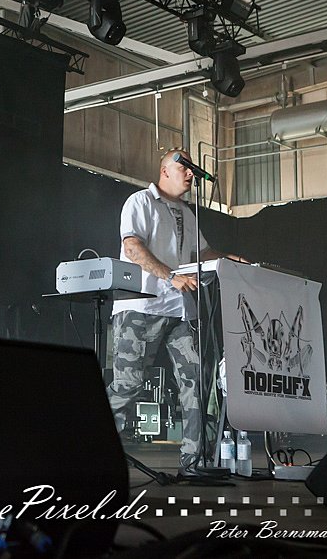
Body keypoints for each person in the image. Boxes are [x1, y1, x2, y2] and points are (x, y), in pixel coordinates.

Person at [108, 149, 243, 479]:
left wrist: (228, 260)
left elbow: (202, 252)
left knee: (197, 383)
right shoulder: (141, 201)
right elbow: (132, 247)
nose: (191, 174)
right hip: (141, 307)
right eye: (184, 167)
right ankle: (93, 450)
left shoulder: (186, 212)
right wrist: (170, 276)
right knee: (128, 385)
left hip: (180, 311)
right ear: (164, 171)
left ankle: (195, 461)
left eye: (193, 170)